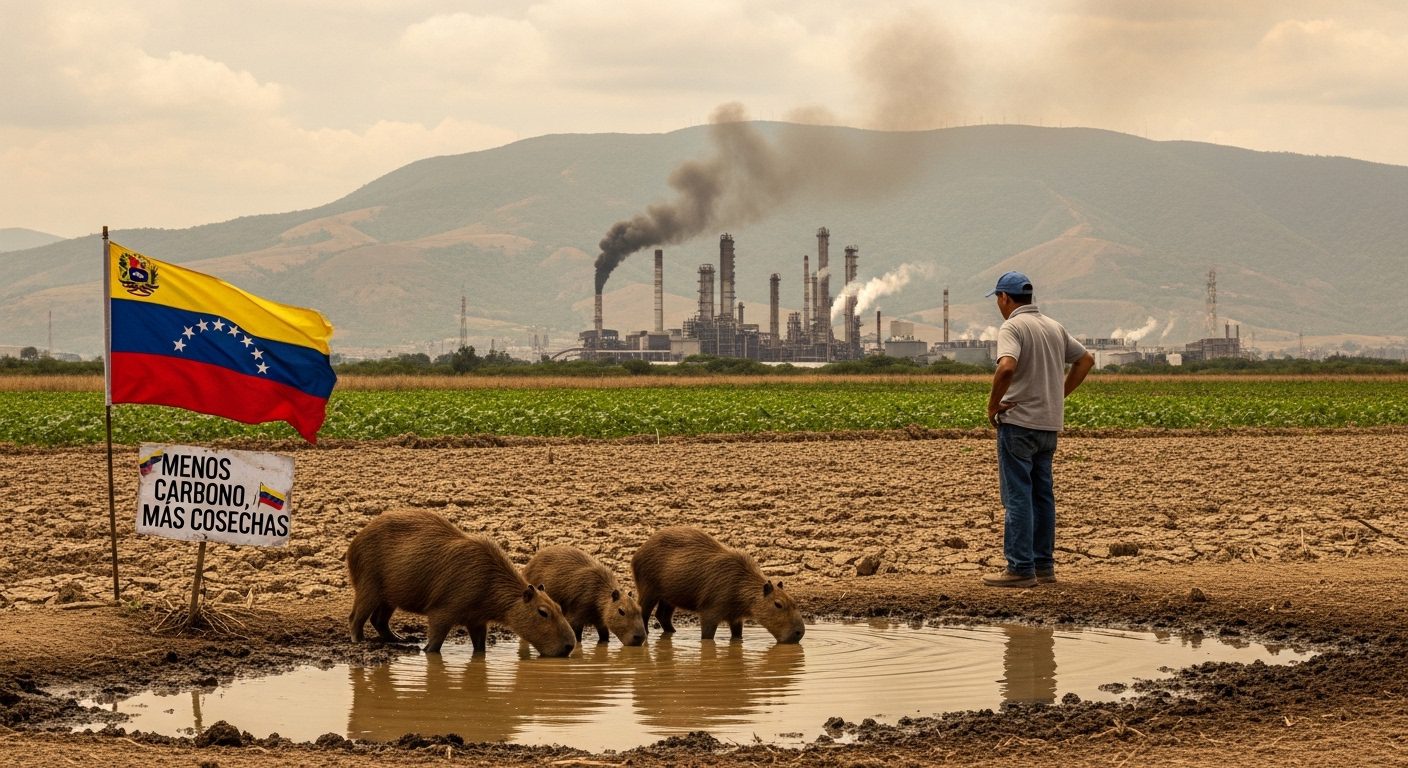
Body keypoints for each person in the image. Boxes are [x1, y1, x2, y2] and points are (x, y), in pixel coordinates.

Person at [982, 271, 1094, 588]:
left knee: (1017, 496)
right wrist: (1058, 394)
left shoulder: (1013, 326)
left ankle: (1020, 568)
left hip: (1019, 423)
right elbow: (1086, 360)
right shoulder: (1053, 327)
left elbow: (1006, 367)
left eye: (998, 299)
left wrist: (993, 405)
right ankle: (1044, 566)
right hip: (1048, 425)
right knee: (1042, 496)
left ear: (1004, 297)